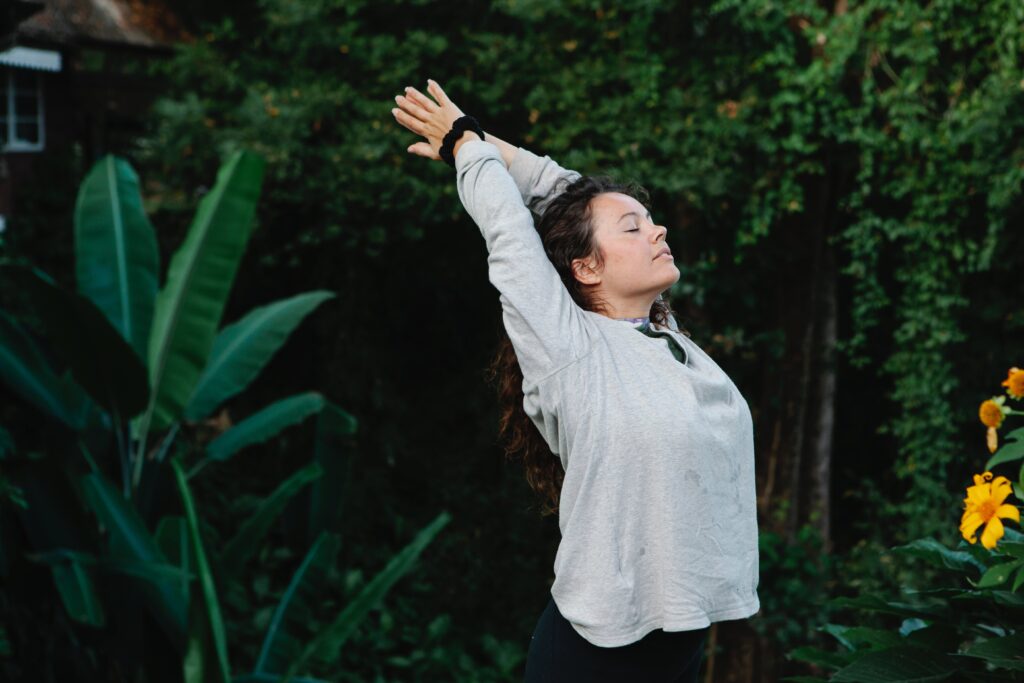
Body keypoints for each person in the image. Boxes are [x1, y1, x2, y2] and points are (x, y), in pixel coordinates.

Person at [391, 79, 760, 682]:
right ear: (586, 268)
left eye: (651, 221)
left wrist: (491, 145)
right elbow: (511, 230)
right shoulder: (569, 346)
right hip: (595, 654)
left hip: (681, 639)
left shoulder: (662, 336)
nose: (658, 231)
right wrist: (465, 146)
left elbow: (569, 194)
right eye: (634, 229)